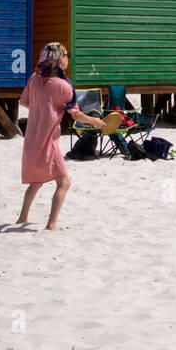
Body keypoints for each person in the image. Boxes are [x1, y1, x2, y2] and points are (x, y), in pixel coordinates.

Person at [17, 42, 110, 230]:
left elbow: (24, 102)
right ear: (58, 58)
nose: (68, 58)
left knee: (37, 181)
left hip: (31, 140)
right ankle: (51, 224)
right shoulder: (63, 86)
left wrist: (43, 107)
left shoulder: (34, 79)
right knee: (64, 183)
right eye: (66, 55)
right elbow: (75, 114)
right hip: (48, 141)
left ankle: (22, 218)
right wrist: (96, 122)